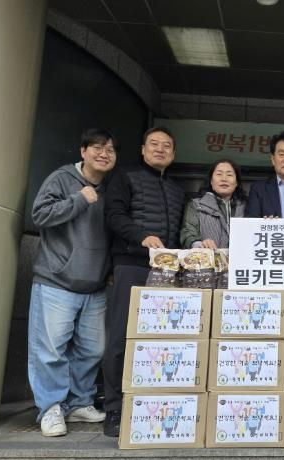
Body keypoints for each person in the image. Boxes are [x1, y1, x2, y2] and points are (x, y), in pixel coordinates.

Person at [28, 128, 117, 436]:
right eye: (98, 148)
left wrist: (109, 269)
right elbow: (40, 215)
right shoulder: (61, 179)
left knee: (92, 350)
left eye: (110, 150)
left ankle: (79, 402)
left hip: (95, 284)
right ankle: (50, 407)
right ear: (83, 151)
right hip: (56, 280)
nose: (104, 154)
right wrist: (79, 199)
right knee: (50, 350)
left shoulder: (111, 188)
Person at [103, 126, 185, 437]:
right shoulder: (125, 176)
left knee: (158, 340)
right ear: (142, 149)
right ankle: (114, 409)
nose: (160, 149)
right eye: (154, 144)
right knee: (121, 337)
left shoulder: (176, 189)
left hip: (167, 271)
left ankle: (148, 401)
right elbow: (114, 215)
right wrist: (141, 236)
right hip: (131, 264)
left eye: (166, 145)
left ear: (173, 153)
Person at [181, 158, 247, 249]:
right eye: (219, 174)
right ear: (211, 181)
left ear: (236, 183)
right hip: (207, 256)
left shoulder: (246, 207)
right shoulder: (196, 205)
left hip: (239, 257)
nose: (224, 179)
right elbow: (188, 231)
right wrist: (199, 244)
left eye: (229, 175)